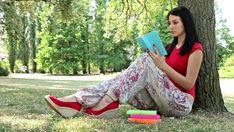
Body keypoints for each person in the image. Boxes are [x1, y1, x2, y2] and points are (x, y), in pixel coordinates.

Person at [45, 6, 203, 118]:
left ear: (186, 23)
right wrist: (155, 63)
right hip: (157, 102)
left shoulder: (195, 49)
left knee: (145, 60)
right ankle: (77, 100)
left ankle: (105, 102)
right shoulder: (169, 48)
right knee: (125, 74)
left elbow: (189, 84)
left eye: (175, 23)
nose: (170, 27)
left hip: (181, 104)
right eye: (169, 23)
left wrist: (163, 66)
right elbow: (155, 76)